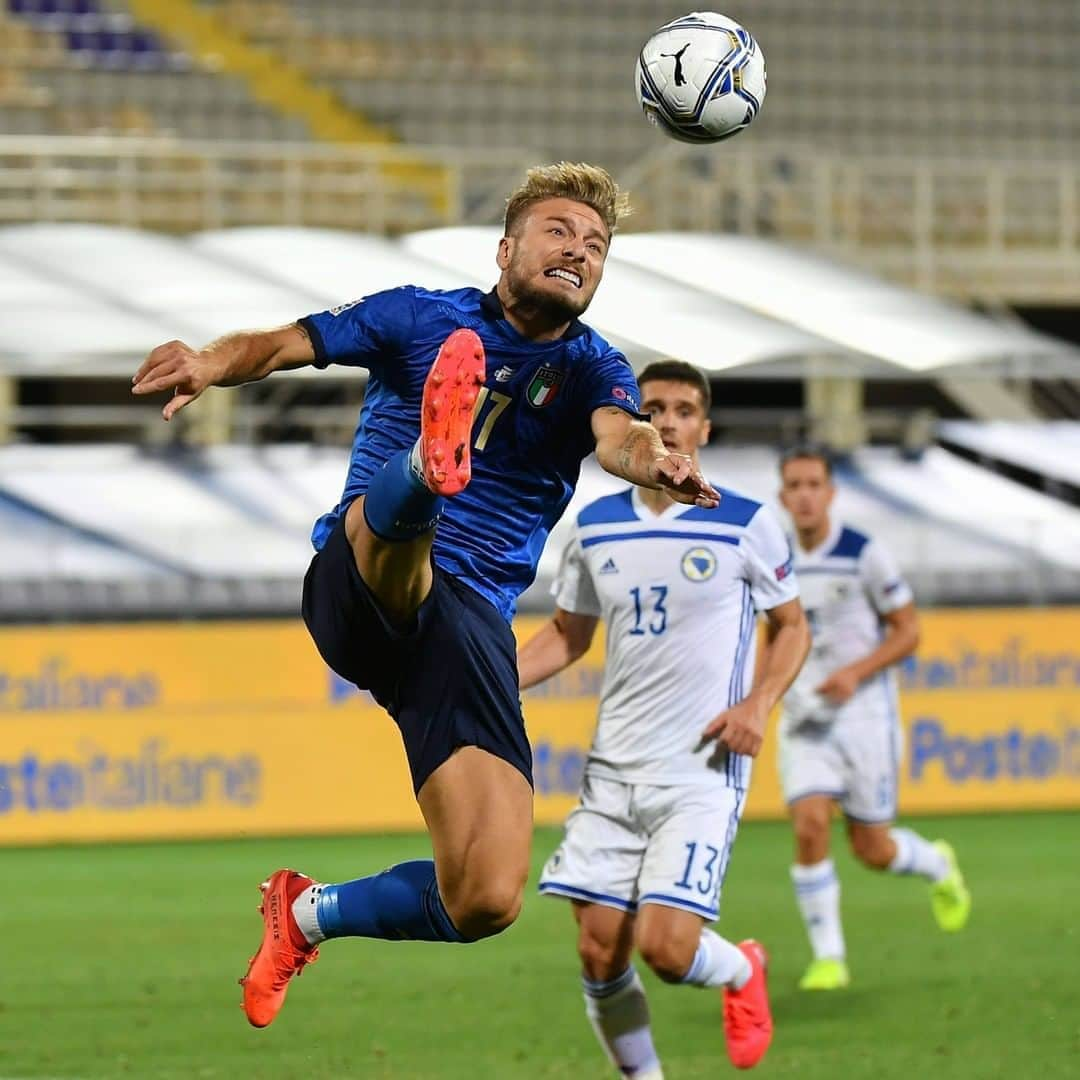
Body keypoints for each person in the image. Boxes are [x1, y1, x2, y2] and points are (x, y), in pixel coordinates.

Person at [131, 163, 721, 1030]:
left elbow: (619, 437)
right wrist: (212, 359)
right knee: (405, 538)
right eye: (560, 231)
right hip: (357, 575)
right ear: (506, 247)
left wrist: (658, 460)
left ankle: (302, 914)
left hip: (465, 630)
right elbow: (287, 344)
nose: (580, 251)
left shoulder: (595, 367)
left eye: (596, 245)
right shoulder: (418, 314)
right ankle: (424, 467)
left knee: (486, 895)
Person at [517, 361, 810, 1074]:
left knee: (668, 949)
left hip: (701, 771)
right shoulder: (591, 527)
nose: (670, 421)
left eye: (684, 409)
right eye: (654, 408)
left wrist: (757, 705)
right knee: (597, 950)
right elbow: (568, 634)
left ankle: (740, 969)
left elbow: (793, 627)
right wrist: (488, 681)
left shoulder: (746, 522)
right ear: (632, 423)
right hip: (615, 768)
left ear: (704, 427)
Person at [776, 445, 972, 992]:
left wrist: (855, 674)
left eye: (814, 484)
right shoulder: (775, 557)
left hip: (863, 714)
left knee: (873, 850)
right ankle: (829, 958)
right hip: (805, 717)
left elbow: (908, 631)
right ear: (782, 496)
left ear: (831, 493)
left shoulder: (864, 553)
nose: (805, 494)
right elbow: (770, 634)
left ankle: (936, 864)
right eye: (795, 485)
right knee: (810, 824)